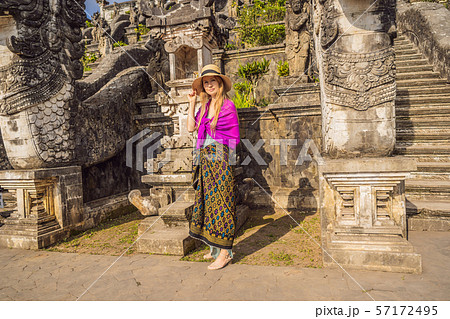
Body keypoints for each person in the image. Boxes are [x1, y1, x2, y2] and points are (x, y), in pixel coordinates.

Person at [187, 64, 240, 270]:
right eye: (205, 82)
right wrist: (192, 103)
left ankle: (225, 253)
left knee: (223, 204)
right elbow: (192, 128)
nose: (209, 85)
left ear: (220, 84)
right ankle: (215, 248)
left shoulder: (227, 107)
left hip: (220, 159)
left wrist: (214, 155)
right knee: (208, 203)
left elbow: (232, 138)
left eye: (212, 81)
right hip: (204, 159)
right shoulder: (204, 108)